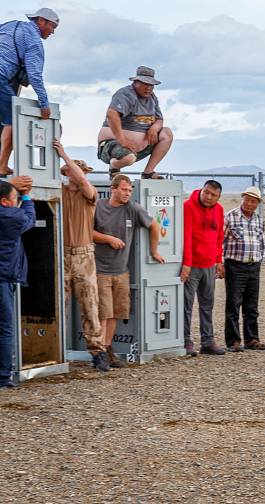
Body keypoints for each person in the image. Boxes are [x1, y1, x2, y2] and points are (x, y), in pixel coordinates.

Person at [93, 174, 165, 368]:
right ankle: (98, 352)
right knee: (103, 314)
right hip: (100, 270)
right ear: (113, 189)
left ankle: (108, 349)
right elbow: (87, 232)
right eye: (124, 189)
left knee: (115, 313)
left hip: (121, 271)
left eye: (130, 189)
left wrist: (154, 251)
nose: (128, 193)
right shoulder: (98, 206)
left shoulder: (133, 208)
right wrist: (109, 239)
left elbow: (155, 226)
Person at [53, 140, 108, 370]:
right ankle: (54, 351)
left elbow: (84, 182)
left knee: (90, 305)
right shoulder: (58, 192)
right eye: (77, 171)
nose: (81, 175)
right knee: (57, 305)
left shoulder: (89, 194)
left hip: (84, 255)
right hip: (61, 254)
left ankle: (98, 351)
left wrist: (63, 154)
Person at [0, 8, 59, 176]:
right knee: (12, 120)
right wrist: (44, 103)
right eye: (52, 26)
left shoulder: (9, 25)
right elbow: (34, 75)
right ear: (41, 21)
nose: (52, 32)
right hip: (1, 76)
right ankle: (2, 165)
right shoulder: (34, 41)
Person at [96, 66, 173, 180]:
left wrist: (155, 127)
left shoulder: (152, 98)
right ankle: (114, 167)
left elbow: (159, 119)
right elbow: (112, 114)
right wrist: (122, 140)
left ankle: (148, 173)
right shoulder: (126, 94)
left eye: (151, 85)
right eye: (145, 84)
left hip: (139, 147)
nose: (148, 88)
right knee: (128, 158)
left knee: (166, 133)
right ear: (136, 82)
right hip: (113, 145)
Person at [182, 180, 225, 356]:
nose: (208, 197)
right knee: (186, 305)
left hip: (209, 265)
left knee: (207, 305)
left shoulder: (219, 210)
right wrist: (187, 264)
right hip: (192, 266)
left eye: (213, 195)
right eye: (206, 192)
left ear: (218, 197)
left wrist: (218, 260)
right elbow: (186, 236)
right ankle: (185, 341)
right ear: (201, 190)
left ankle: (207, 342)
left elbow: (219, 236)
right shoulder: (188, 206)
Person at [222, 186, 265, 352]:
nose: (249, 203)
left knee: (252, 306)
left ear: (257, 203)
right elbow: (221, 240)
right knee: (233, 304)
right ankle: (233, 341)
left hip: (253, 266)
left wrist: (261, 259)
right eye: (247, 199)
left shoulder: (258, 219)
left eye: (253, 201)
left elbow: (262, 241)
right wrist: (220, 262)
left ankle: (252, 339)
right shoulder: (231, 217)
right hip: (235, 265)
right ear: (242, 199)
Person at [0, 176, 34, 388]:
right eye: (14, 198)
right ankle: (3, 376)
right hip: (3, 279)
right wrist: (27, 196)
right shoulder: (11, 217)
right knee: (5, 328)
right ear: (4, 201)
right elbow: (29, 217)